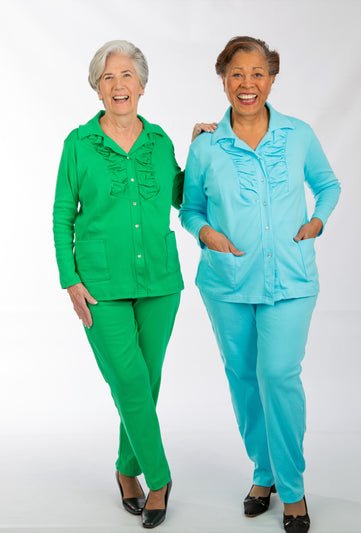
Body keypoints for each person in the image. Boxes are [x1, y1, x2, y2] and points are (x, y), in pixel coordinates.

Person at [180, 36, 341, 532]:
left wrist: (318, 221)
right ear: (223, 80)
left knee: (278, 375)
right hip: (226, 282)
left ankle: (292, 489)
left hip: (291, 278)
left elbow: (328, 184)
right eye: (237, 74)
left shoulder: (299, 135)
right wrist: (206, 234)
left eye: (257, 73)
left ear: (271, 78)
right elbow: (190, 209)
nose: (246, 83)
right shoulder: (205, 145)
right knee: (243, 378)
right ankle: (263, 472)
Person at [52, 39, 214, 529]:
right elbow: (62, 215)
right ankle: (159, 479)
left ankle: (126, 469)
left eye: (126, 75)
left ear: (142, 85)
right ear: (97, 88)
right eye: (108, 77)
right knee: (127, 378)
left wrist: (198, 149)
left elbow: (181, 196)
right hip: (99, 285)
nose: (118, 85)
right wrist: (70, 280)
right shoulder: (79, 144)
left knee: (146, 380)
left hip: (160, 281)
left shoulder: (159, 141)